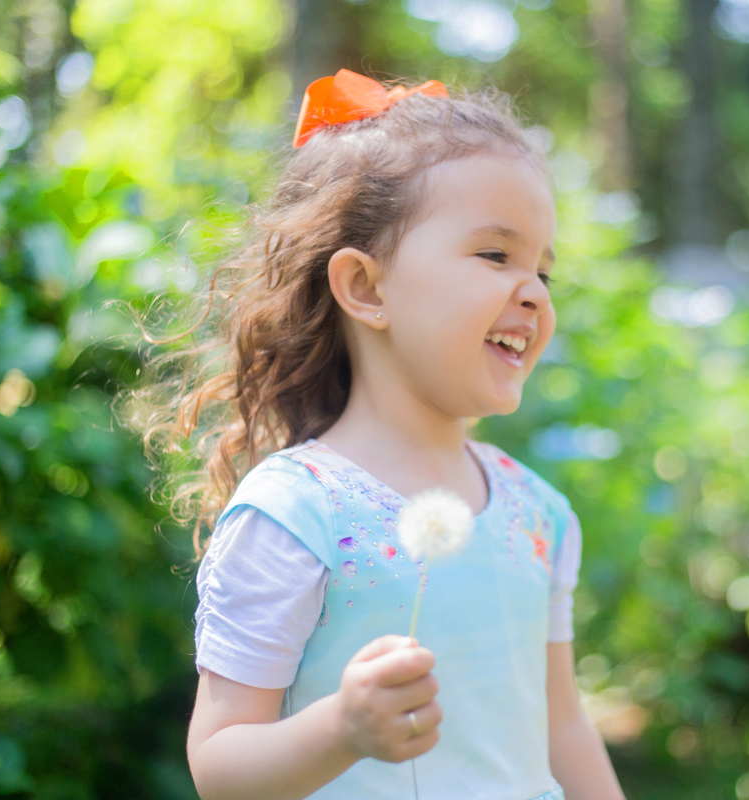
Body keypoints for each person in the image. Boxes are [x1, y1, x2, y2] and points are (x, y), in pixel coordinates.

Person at [149, 69, 626, 800]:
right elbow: (218, 763)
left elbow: (562, 726)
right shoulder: (297, 512)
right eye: (496, 256)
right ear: (366, 289)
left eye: (544, 271)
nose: (532, 290)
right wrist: (342, 728)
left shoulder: (541, 515)